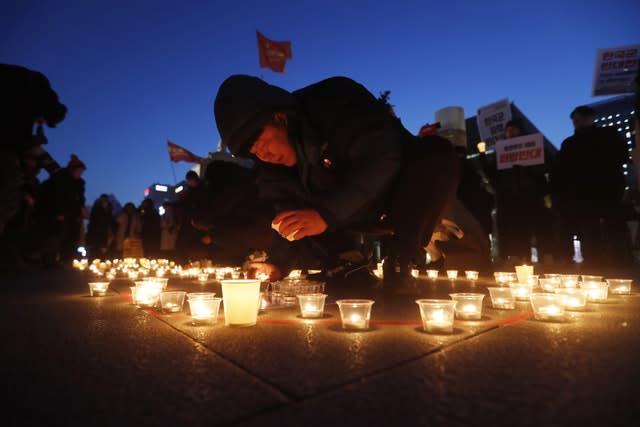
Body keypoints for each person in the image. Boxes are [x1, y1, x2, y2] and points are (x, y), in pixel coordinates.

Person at [213, 75, 460, 286]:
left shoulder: (334, 101)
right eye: (251, 151)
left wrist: (326, 214)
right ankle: (346, 261)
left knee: (434, 152)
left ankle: (403, 257)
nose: (262, 153)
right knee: (306, 212)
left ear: (279, 117)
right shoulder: (273, 168)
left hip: (405, 190)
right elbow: (286, 215)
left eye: (260, 140)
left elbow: (383, 156)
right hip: (356, 214)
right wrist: (277, 265)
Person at [551, 105, 632, 269]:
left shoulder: (607, 136)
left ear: (591, 118)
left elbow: (622, 155)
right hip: (587, 192)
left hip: (605, 189)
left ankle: (618, 259)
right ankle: (599, 260)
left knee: (611, 224)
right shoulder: (570, 143)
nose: (577, 123)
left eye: (580, 119)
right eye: (575, 120)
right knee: (591, 227)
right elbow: (561, 168)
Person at [86, 194, 115, 260]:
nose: (104, 201)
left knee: (103, 246)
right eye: (103, 199)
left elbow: (109, 220)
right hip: (96, 230)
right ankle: (93, 261)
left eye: (105, 200)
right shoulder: (96, 208)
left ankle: (101, 261)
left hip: (104, 231)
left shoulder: (109, 209)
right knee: (95, 246)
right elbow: (93, 220)